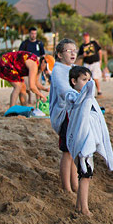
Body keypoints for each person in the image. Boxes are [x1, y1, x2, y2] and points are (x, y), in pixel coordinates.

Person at [64, 66, 113, 217]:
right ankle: (84, 208)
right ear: (73, 81)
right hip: (80, 142)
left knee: (85, 176)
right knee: (85, 175)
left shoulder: (88, 98)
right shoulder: (72, 95)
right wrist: (86, 95)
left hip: (88, 140)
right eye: (84, 80)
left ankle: (79, 206)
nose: (88, 83)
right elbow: (75, 104)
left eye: (89, 79)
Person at [49, 38, 80, 196]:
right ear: (60, 55)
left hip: (74, 113)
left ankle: (75, 184)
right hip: (64, 115)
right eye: (69, 50)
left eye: (75, 50)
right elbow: (63, 89)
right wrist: (77, 97)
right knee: (67, 152)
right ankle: (66, 187)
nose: (73, 53)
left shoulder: (74, 68)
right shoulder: (58, 70)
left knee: (74, 150)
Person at [77, 30, 106, 95]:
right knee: (87, 78)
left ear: (88, 37)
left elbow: (100, 51)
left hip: (95, 62)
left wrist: (100, 60)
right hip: (87, 64)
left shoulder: (93, 43)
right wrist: (83, 55)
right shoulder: (82, 46)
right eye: (84, 37)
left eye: (86, 36)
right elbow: (79, 57)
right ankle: (89, 92)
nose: (86, 38)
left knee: (95, 78)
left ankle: (99, 90)